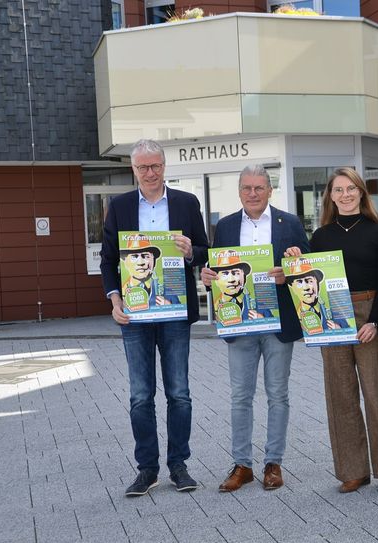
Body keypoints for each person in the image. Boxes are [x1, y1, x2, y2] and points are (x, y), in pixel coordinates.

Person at [100, 139, 208, 496]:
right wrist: (114, 298)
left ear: (165, 166)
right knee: (140, 396)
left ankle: (179, 465)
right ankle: (147, 469)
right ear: (133, 170)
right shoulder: (120, 206)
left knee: (179, 393)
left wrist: (192, 251)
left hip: (175, 312)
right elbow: (108, 259)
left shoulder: (187, 203)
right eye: (143, 167)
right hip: (134, 314)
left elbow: (205, 252)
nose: (150, 173)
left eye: (155, 166)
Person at [288, 167, 378, 495]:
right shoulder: (322, 236)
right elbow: (310, 277)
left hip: (368, 313)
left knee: (376, 393)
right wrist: (297, 256)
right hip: (332, 316)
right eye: (338, 190)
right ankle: (353, 470)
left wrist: (375, 322)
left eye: (351, 188)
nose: (345, 195)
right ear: (331, 196)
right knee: (340, 394)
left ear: (361, 192)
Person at [200, 165, 309, 492]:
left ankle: (273, 463)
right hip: (241, 323)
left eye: (259, 187)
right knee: (240, 396)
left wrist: (292, 266)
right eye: (247, 187)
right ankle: (242, 465)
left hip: (279, 323)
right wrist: (207, 277)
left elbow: (307, 266)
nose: (252, 193)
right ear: (239, 191)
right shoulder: (226, 226)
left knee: (278, 394)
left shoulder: (289, 223)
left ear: (269, 190)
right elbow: (217, 271)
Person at [285, 262, 349, 332]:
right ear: (293, 289)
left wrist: (338, 329)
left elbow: (347, 328)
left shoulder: (331, 308)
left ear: (317, 284)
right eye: (299, 282)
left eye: (309, 281)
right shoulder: (294, 313)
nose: (306, 287)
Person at [210, 251, 270, 322]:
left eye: (236, 273)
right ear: (216, 281)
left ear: (244, 278)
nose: (231, 279)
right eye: (225, 273)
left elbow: (272, 321)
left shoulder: (258, 304)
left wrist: (261, 319)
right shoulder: (216, 304)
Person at [120, 237, 180, 306]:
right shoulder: (122, 293)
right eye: (134, 257)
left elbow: (180, 311)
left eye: (146, 256)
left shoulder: (168, 293)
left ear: (154, 262)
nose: (140, 262)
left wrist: (170, 307)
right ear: (126, 263)